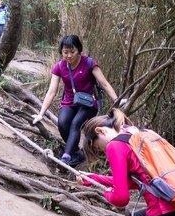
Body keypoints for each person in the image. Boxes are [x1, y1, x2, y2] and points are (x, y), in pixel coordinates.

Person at [33, 35, 118, 167]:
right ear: (61, 52)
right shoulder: (59, 67)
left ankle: (66, 157)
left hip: (88, 103)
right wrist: (41, 114)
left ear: (79, 50)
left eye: (72, 52)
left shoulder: (89, 63)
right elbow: (51, 92)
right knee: (62, 123)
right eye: (65, 52)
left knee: (75, 123)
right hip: (69, 102)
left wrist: (117, 100)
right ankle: (77, 153)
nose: (69, 55)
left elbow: (104, 84)